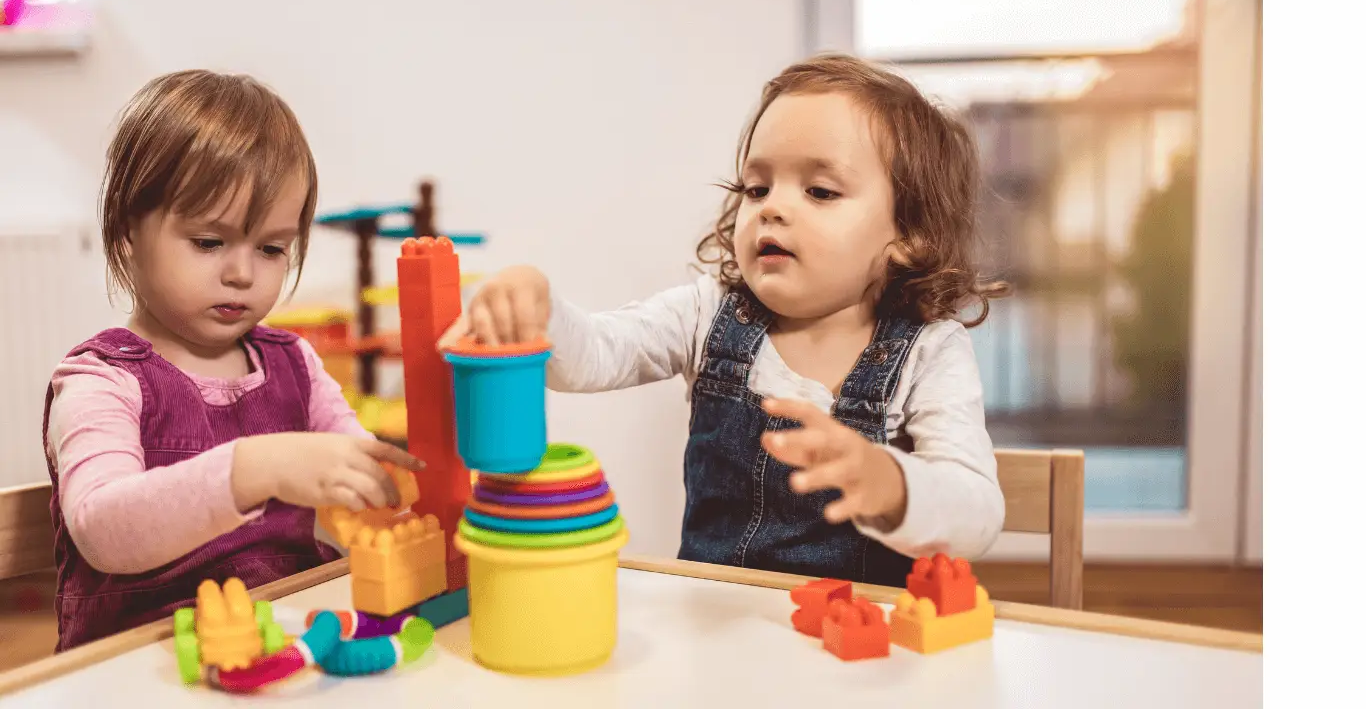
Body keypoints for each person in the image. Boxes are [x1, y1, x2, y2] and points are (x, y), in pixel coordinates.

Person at [440, 54, 1008, 586]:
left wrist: (889, 482)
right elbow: (594, 355)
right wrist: (538, 308)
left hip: (858, 654)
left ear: (910, 236)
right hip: (715, 629)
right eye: (755, 186)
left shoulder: (931, 353)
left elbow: (976, 515)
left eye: (820, 190)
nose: (772, 206)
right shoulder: (707, 313)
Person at [43, 70, 423, 651]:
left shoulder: (294, 362)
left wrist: (398, 487)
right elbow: (102, 529)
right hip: (139, 664)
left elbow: (358, 468)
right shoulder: (102, 380)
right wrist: (252, 468)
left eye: (272, 249)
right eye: (209, 242)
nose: (242, 273)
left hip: (281, 642)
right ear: (125, 235)